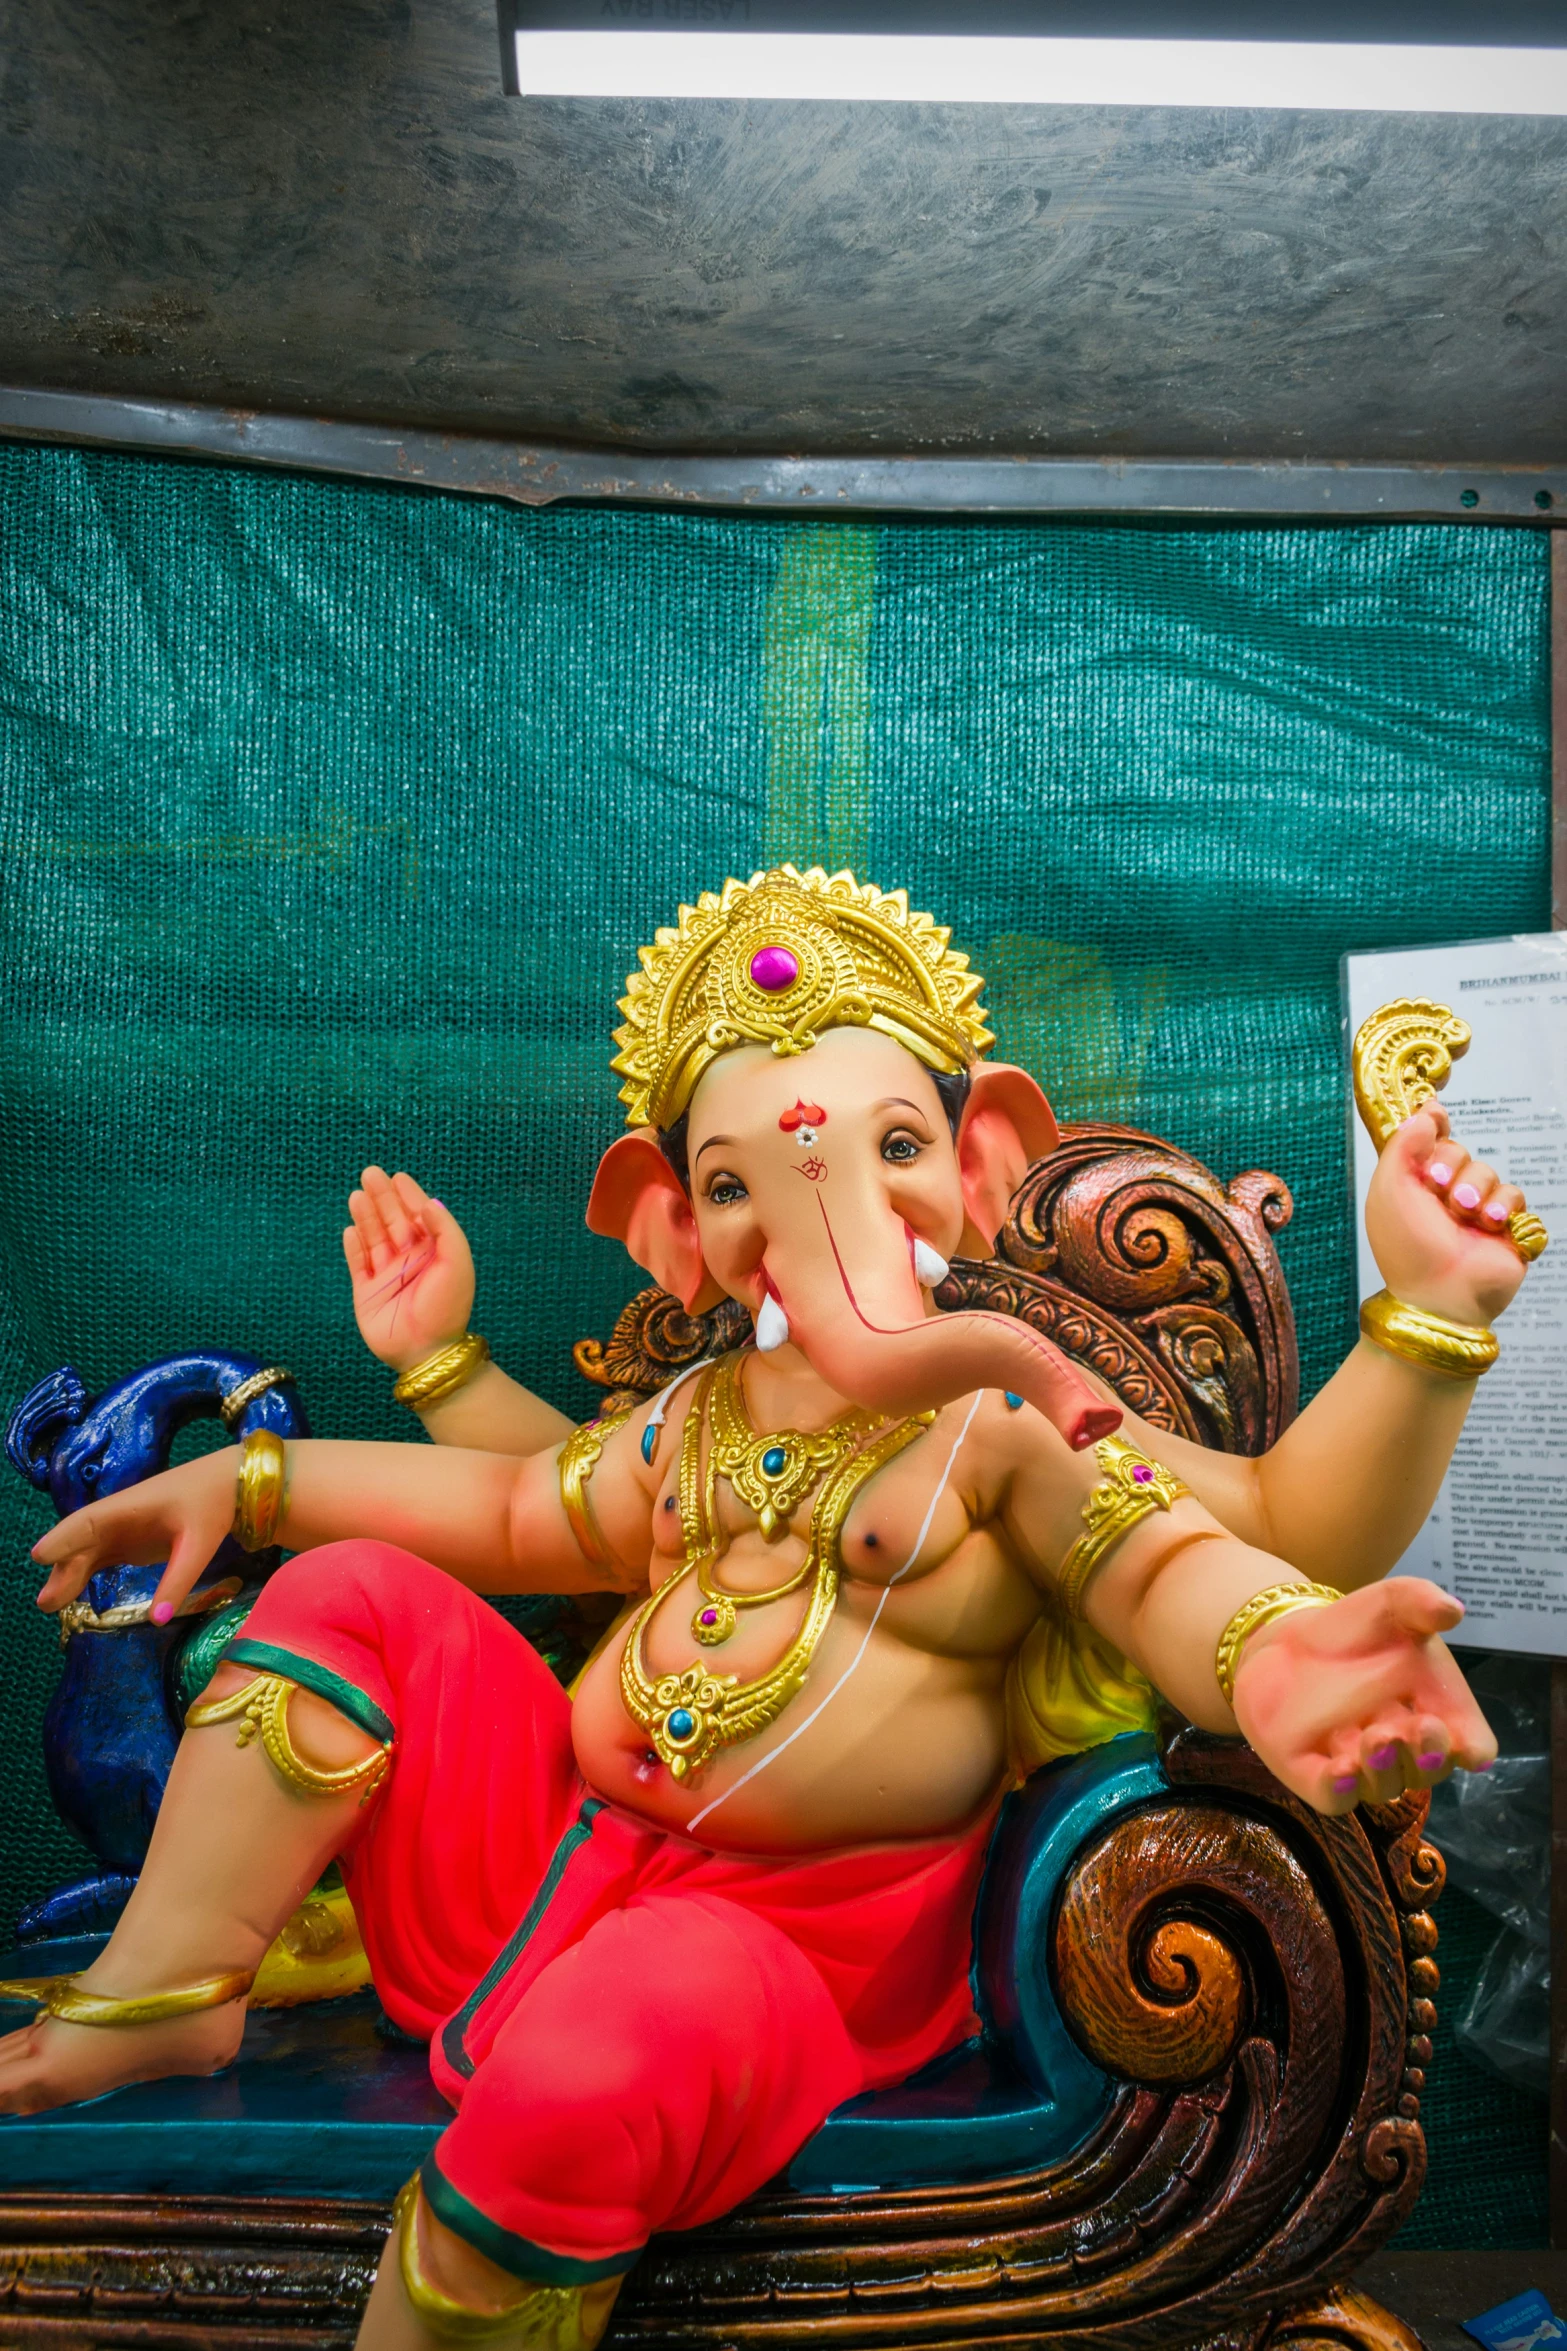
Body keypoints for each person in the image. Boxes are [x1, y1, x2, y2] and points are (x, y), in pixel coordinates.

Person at [8, 868, 1521, 2351]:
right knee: (350, 1593)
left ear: (978, 1159)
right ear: (674, 1221)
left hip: (788, 1947)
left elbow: (1187, 1558)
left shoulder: (998, 1434)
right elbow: (512, 1509)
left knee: (594, 2076)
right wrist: (252, 1483)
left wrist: (1281, 1637)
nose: (810, 1207)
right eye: (736, 1181)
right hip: (555, 1864)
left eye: (894, 1145)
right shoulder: (696, 1418)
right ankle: (163, 1989)